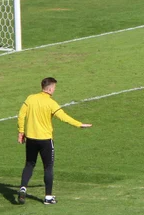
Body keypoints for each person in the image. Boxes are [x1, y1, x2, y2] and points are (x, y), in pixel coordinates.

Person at [17, 77, 92, 205]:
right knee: (48, 167)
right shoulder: (51, 103)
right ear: (50, 88)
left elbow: (21, 115)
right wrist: (79, 124)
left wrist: (21, 132)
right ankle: (48, 197)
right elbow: (63, 117)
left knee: (29, 164)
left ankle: (23, 187)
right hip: (45, 140)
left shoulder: (30, 98)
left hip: (31, 138)